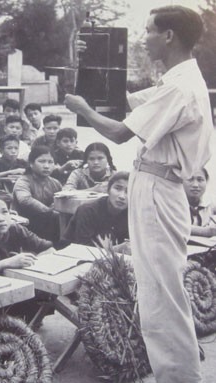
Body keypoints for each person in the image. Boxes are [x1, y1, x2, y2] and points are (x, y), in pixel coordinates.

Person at [64, 6, 211, 382]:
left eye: (148, 31)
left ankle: (180, 377)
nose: (143, 39)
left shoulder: (179, 85)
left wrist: (81, 108)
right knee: (154, 293)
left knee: (163, 295)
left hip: (160, 190)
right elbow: (124, 101)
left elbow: (118, 132)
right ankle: (172, 374)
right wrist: (84, 62)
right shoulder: (175, 80)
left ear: (169, 36)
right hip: (154, 187)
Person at [63, 171, 129, 249]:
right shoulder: (87, 211)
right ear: (108, 190)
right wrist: (117, 249)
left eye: (128, 191)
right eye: (117, 188)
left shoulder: (132, 214)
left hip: (111, 258)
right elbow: (82, 248)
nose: (122, 196)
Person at [13, 145, 61, 242]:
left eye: (50, 162)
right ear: (31, 163)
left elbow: (62, 198)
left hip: (49, 224)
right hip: (26, 226)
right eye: (42, 161)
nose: (46, 166)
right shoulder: (23, 181)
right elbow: (25, 200)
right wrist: (49, 211)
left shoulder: (55, 183)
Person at [184, 168, 216, 237]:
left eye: (200, 180)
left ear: (206, 181)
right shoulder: (172, 202)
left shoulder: (211, 201)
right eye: (190, 179)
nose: (195, 185)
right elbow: (173, 226)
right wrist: (205, 231)